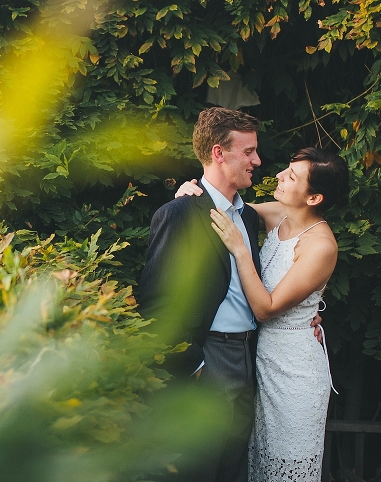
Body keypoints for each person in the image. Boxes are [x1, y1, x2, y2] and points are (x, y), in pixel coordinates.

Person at [138, 107, 322, 482]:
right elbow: (154, 304)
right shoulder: (181, 214)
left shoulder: (250, 217)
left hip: (249, 356)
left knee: (234, 470)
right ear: (219, 153)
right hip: (208, 358)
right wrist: (195, 367)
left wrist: (309, 314)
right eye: (249, 151)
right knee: (197, 470)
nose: (257, 160)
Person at [175, 147, 349, 481]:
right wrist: (188, 191)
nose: (280, 176)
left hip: (296, 372)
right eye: (287, 168)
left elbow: (266, 309)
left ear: (314, 198)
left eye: (293, 176)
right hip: (262, 362)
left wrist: (241, 249)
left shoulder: (321, 246)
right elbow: (221, 208)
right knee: (258, 465)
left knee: (287, 468)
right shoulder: (277, 214)